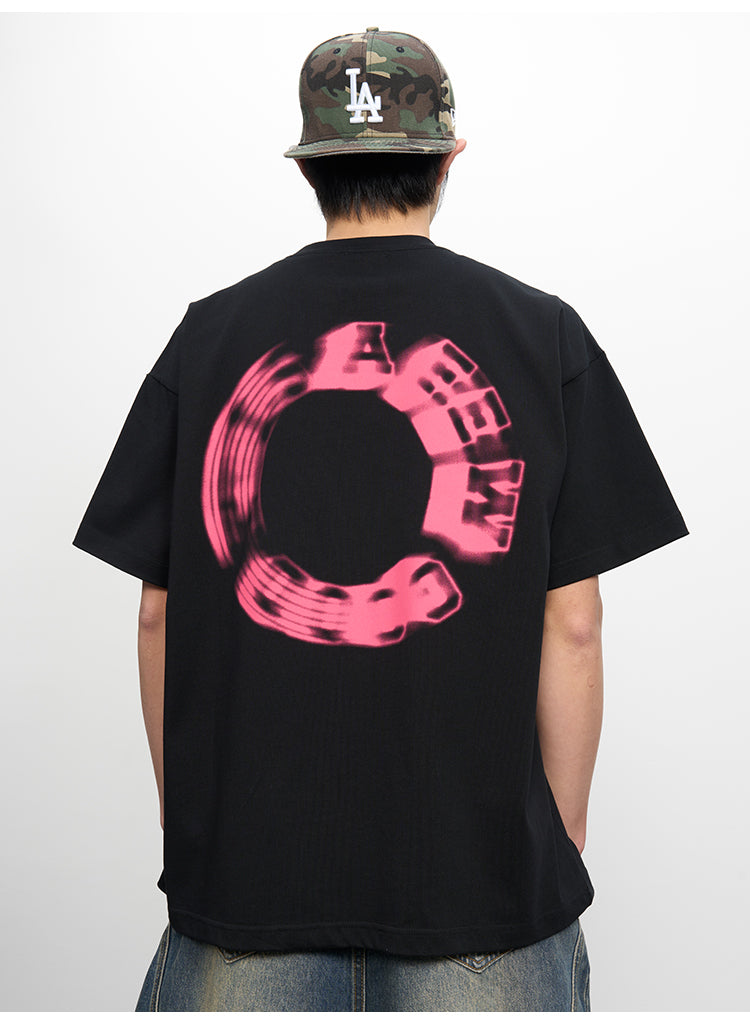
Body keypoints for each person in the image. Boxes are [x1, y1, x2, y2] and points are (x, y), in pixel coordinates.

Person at [72, 27, 689, 1012]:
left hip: (250, 891)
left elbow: (158, 613)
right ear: (448, 158)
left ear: (308, 167)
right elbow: (573, 624)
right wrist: (557, 838)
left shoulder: (209, 336)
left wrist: (197, 824)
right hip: (485, 899)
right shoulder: (542, 333)